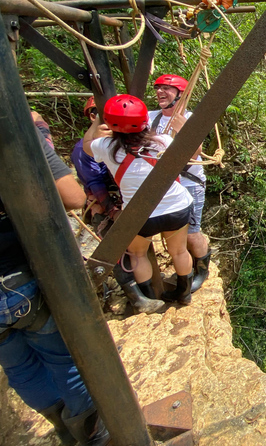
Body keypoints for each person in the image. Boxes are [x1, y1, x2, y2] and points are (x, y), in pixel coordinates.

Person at [1, 125, 110, 445]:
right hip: (18, 274)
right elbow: (73, 197)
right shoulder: (13, 127)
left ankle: (62, 425)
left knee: (17, 365)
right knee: (64, 359)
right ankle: (90, 432)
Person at [83, 94, 195, 305]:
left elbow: (87, 145)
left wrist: (98, 123)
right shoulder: (163, 140)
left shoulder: (105, 146)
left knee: (138, 255)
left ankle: (151, 298)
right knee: (179, 251)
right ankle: (184, 294)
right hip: (177, 205)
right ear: (144, 120)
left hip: (139, 214)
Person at [151, 74, 211, 293]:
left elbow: (195, 153)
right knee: (175, 232)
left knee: (192, 231)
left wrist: (183, 128)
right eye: (158, 88)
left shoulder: (192, 119)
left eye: (167, 89)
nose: (160, 92)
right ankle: (187, 269)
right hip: (164, 183)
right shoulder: (150, 118)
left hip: (188, 182)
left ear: (180, 95)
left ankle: (202, 271)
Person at [71, 97, 121, 237]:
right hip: (104, 205)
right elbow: (95, 183)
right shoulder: (82, 150)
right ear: (93, 117)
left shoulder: (120, 143)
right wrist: (113, 212)